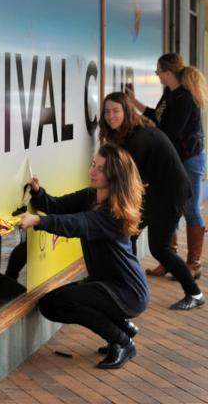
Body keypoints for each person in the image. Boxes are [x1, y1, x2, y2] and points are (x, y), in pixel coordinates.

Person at [18, 144, 148, 369]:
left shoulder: (112, 214)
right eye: (93, 165)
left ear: (115, 175)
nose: (93, 171)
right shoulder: (91, 196)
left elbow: (77, 223)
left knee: (65, 302)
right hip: (106, 284)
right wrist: (38, 193)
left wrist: (38, 221)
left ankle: (123, 341)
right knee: (50, 305)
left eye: (101, 168)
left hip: (127, 292)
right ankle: (121, 328)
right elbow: (58, 206)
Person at [100, 92, 204, 310]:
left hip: (170, 193)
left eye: (116, 111)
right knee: (128, 233)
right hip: (158, 191)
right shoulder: (130, 133)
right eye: (107, 111)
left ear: (126, 111)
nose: (111, 116)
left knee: (159, 247)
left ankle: (194, 294)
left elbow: (126, 179)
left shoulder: (137, 138)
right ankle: (124, 283)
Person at [126, 53, 207, 280]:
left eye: (158, 72)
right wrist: (134, 102)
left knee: (190, 209)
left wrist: (144, 136)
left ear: (167, 72)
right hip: (176, 159)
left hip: (190, 160)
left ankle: (194, 264)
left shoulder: (185, 99)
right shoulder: (169, 93)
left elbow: (169, 133)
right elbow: (158, 117)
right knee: (169, 207)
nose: (157, 76)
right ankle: (168, 260)